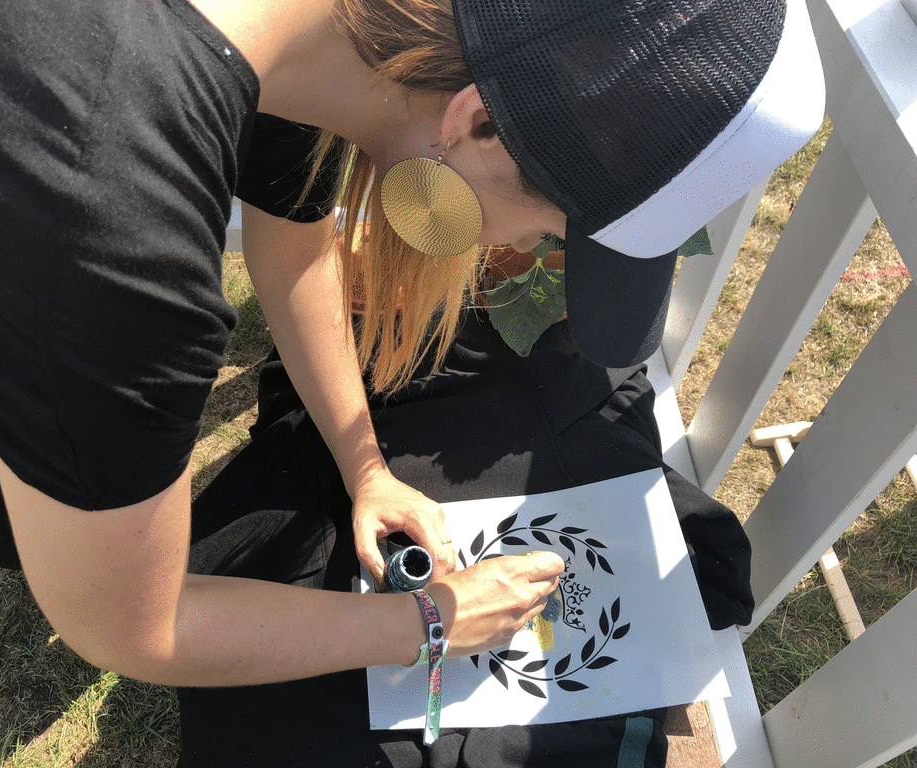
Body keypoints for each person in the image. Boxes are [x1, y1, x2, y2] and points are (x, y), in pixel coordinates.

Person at [0, 0, 821, 703]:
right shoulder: (115, 244)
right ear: (479, 124)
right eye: (548, 232)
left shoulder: (315, 38)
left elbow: (294, 245)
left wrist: (365, 463)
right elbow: (134, 625)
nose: (522, 251)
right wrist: (428, 623)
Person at [176, 242, 754, 767]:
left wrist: (370, 483)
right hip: (445, 358)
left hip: (400, 362)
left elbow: (168, 618)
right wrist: (425, 623)